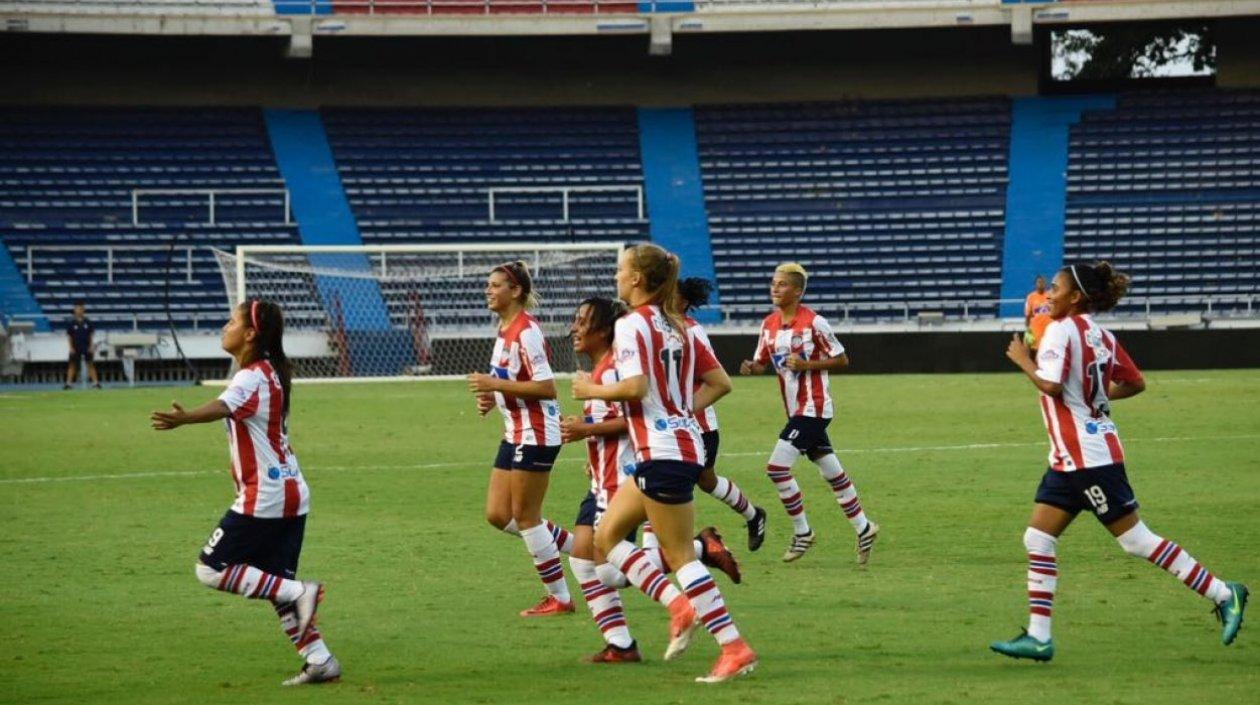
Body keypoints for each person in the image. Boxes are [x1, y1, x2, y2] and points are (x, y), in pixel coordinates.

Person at [990, 262, 1248, 662]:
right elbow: (1135, 382)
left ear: (1075, 297)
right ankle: (1039, 637)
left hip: (1087, 461)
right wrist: (1096, 402)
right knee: (1037, 538)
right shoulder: (1101, 334)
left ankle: (1223, 592)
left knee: (1135, 540)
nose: (1049, 297)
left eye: (1056, 290)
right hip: (1070, 459)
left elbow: (1053, 385)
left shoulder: (1060, 330)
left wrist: (1023, 359)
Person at [576, 243, 758, 683]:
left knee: (678, 557)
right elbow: (720, 383)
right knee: (605, 536)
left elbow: (635, 387)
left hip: (663, 452)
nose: (617, 276)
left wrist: (592, 392)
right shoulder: (681, 325)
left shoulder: (631, 325)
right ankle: (678, 605)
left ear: (637, 279)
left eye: (621, 270)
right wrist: (680, 412)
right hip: (674, 448)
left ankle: (734, 646)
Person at [150, 300, 340, 686]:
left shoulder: (250, 377)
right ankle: (319, 660)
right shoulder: (269, 372)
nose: (225, 326)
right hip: (290, 491)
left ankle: (301, 590)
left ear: (251, 333)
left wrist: (185, 418)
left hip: (266, 495)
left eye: (232, 321)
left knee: (211, 568)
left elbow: (223, 406)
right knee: (273, 588)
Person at [739, 263, 879, 564]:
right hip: (795, 410)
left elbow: (842, 359)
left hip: (814, 408)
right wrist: (752, 368)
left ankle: (803, 532)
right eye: (773, 283)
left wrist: (807, 366)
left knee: (776, 468)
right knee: (832, 472)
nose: (775, 289)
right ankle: (864, 528)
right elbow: (762, 362)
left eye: (782, 285)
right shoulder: (768, 325)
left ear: (798, 291)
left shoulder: (814, 323)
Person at [467, 261, 574, 617]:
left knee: (527, 516)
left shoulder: (526, 331)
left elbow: (547, 387)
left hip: (538, 432)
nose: (488, 290)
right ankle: (586, 550)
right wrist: (493, 398)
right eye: (488, 284)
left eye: (496, 285)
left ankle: (559, 597)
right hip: (515, 431)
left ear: (515, 291)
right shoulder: (504, 329)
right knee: (498, 514)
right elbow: (514, 380)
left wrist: (495, 385)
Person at [676, 278, 767, 551]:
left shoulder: (692, 332)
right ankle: (753, 514)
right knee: (706, 481)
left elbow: (713, 375)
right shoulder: (655, 327)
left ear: (682, 301)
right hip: (670, 423)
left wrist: (687, 407)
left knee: (674, 481)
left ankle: (678, 548)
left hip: (697, 424)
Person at [65, 301, 100, 389]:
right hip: (75, 346)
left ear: (83, 310)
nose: (79, 310)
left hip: (86, 346)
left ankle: (95, 383)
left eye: (81, 309)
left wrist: (91, 346)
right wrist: (71, 347)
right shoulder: (71, 323)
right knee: (72, 365)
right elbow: (69, 336)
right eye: (77, 308)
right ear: (74, 310)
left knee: (90, 364)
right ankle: (68, 384)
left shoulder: (88, 322)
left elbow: (91, 335)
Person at [1024, 275, 1053, 349]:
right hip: (1036, 330)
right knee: (1036, 352)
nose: (1041, 284)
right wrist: (1027, 330)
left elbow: (1055, 309)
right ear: (1035, 284)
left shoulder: (1050, 295)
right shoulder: (1031, 297)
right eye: (1039, 282)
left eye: (1043, 282)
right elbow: (1027, 315)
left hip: (1049, 330)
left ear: (1045, 284)